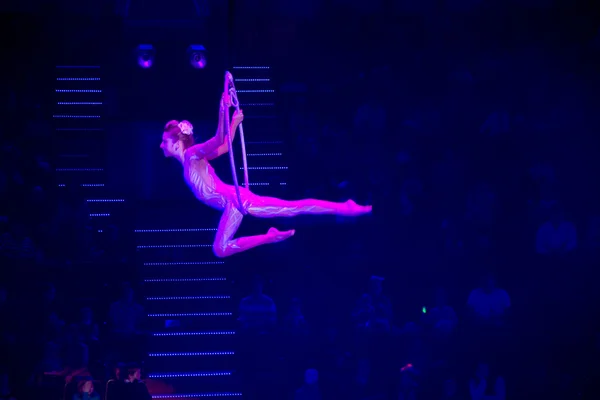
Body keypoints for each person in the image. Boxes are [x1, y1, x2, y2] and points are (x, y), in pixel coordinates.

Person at [160, 89, 372, 258]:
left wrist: (223, 110)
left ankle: (344, 207)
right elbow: (225, 147)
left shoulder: (192, 155)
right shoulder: (194, 160)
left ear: (176, 143)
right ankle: (341, 208)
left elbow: (218, 140)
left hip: (234, 201)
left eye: (164, 142)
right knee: (291, 209)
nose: (161, 146)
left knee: (222, 248)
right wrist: (233, 122)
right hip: (235, 200)